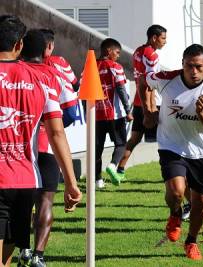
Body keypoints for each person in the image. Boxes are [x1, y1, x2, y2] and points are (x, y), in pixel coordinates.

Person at [0, 15, 81, 267]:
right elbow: (57, 133)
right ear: (19, 45)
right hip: (25, 181)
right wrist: (71, 182)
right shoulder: (45, 78)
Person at [141, 44, 203, 260]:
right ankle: (175, 213)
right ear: (182, 64)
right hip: (171, 146)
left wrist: (202, 114)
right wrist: (149, 111)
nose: (194, 71)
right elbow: (143, 80)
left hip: (202, 150)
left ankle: (191, 241)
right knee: (177, 190)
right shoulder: (166, 78)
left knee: (201, 203)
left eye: (199, 66)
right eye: (189, 66)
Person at [19, 29, 78, 267]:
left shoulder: (11, 72)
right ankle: (38, 255)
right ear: (48, 48)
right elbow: (72, 112)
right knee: (46, 201)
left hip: (20, 151)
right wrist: (48, 122)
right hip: (47, 147)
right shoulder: (53, 74)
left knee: (21, 203)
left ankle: (22, 250)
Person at [110, 25, 167, 181]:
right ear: (154, 38)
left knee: (134, 138)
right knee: (165, 140)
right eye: (163, 38)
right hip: (150, 103)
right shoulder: (152, 55)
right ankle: (170, 173)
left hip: (137, 101)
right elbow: (149, 84)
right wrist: (150, 109)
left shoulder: (138, 51)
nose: (165, 42)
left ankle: (120, 169)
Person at [94, 38, 133, 188]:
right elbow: (121, 90)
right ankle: (112, 165)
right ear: (109, 51)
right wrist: (128, 110)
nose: (118, 56)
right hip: (114, 114)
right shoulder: (115, 67)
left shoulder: (90, 67)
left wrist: (87, 112)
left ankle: (98, 180)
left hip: (96, 115)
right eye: (117, 52)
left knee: (97, 148)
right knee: (121, 144)